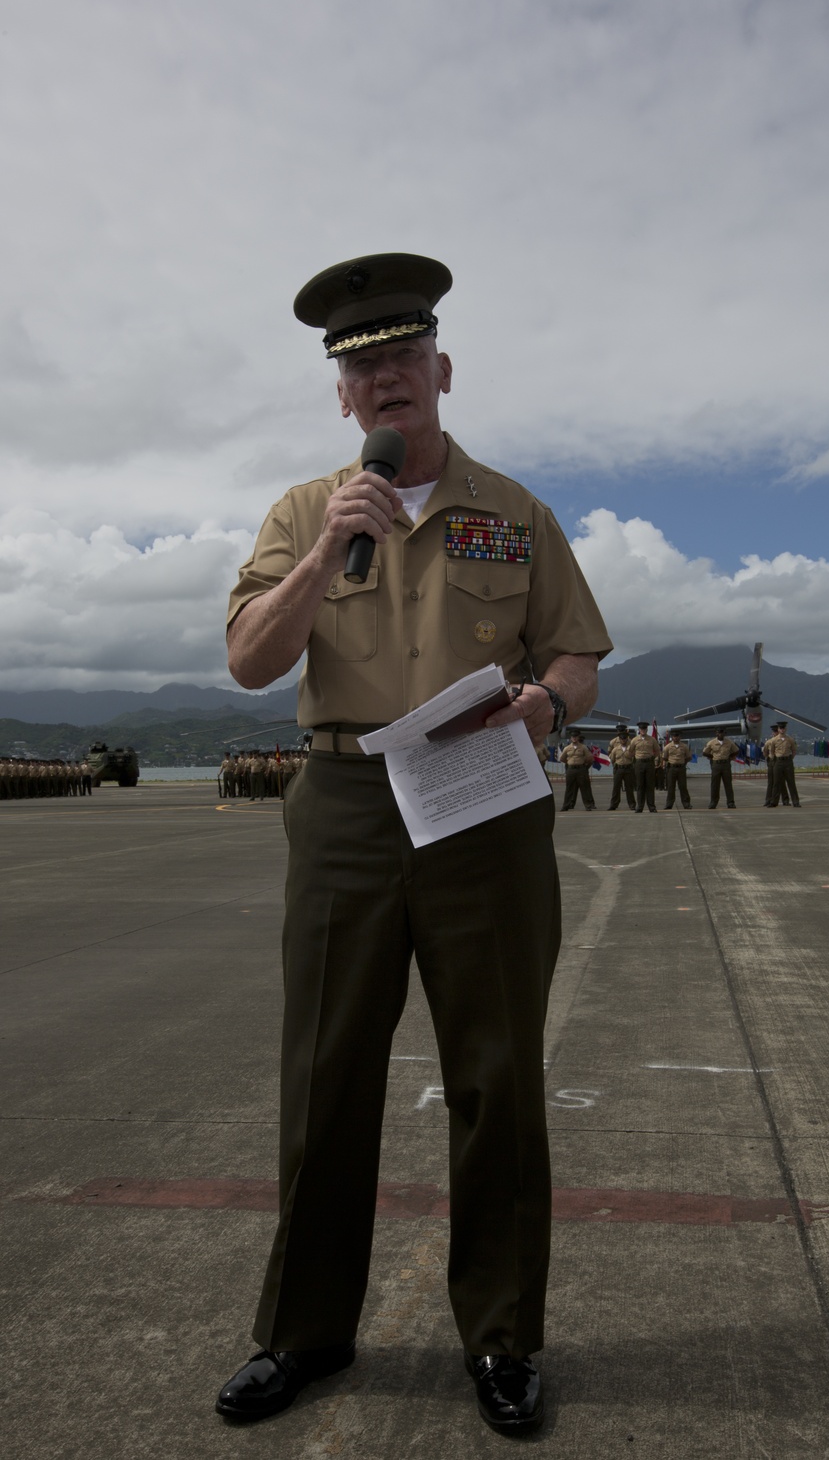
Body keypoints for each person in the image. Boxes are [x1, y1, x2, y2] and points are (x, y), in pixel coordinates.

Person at [217, 252, 612, 1436]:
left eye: (401, 358)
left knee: (497, 1079)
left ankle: (500, 1338)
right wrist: (334, 539)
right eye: (360, 368)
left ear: (441, 370)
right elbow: (247, 661)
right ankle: (302, 1332)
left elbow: (578, 658)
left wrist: (545, 705)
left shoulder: (516, 512)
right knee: (325, 1071)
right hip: (346, 803)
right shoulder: (303, 512)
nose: (385, 380)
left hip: (483, 802)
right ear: (343, 401)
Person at [558, 728, 596, 810]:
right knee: (569, 788)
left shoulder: (583, 747)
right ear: (571, 738)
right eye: (573, 737)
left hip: (581, 769)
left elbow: (590, 758)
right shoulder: (567, 748)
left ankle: (588, 805)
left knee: (584, 788)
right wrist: (569, 763)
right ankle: (566, 806)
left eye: (575, 736)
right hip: (571, 770)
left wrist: (584, 765)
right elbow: (562, 758)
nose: (574, 738)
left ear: (578, 737)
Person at [627, 720, 660, 812]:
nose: (643, 730)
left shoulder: (652, 739)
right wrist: (636, 758)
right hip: (639, 763)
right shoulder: (634, 740)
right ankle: (640, 806)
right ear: (639, 729)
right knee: (640, 785)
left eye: (644, 729)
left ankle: (652, 806)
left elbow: (657, 751)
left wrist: (652, 758)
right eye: (641, 729)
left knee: (650, 785)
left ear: (647, 729)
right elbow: (630, 752)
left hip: (649, 763)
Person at [768, 721, 801, 807]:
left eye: (783, 728)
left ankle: (796, 801)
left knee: (791, 782)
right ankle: (773, 802)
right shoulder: (774, 740)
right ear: (778, 729)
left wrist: (789, 759)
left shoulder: (790, 739)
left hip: (788, 761)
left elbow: (794, 751)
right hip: (778, 761)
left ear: (785, 729)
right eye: (780, 728)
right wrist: (774, 760)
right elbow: (771, 752)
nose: (782, 730)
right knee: (776, 782)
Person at [702, 733, 738, 808]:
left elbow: (736, 750)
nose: (721, 734)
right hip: (716, 764)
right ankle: (713, 802)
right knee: (715, 785)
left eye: (722, 733)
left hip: (726, 764)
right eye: (719, 733)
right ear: (716, 733)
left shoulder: (729, 742)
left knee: (728, 784)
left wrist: (730, 757)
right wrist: (712, 757)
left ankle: (730, 802)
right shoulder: (711, 742)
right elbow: (705, 752)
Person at [607, 723, 636, 810]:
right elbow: (611, 755)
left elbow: (634, 755)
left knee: (629, 787)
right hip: (618, 767)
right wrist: (615, 765)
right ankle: (614, 804)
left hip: (628, 767)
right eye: (620, 732)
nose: (622, 738)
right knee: (616, 787)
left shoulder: (631, 742)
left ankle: (632, 804)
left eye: (623, 732)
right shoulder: (613, 743)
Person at [662, 730, 693, 810]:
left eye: (677, 736)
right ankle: (669, 804)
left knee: (683, 786)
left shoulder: (684, 746)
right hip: (671, 768)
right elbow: (664, 757)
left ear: (680, 737)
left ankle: (686, 804)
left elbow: (689, 757)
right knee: (671, 787)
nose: (676, 738)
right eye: (674, 736)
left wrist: (682, 763)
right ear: (672, 737)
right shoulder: (668, 747)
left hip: (681, 768)